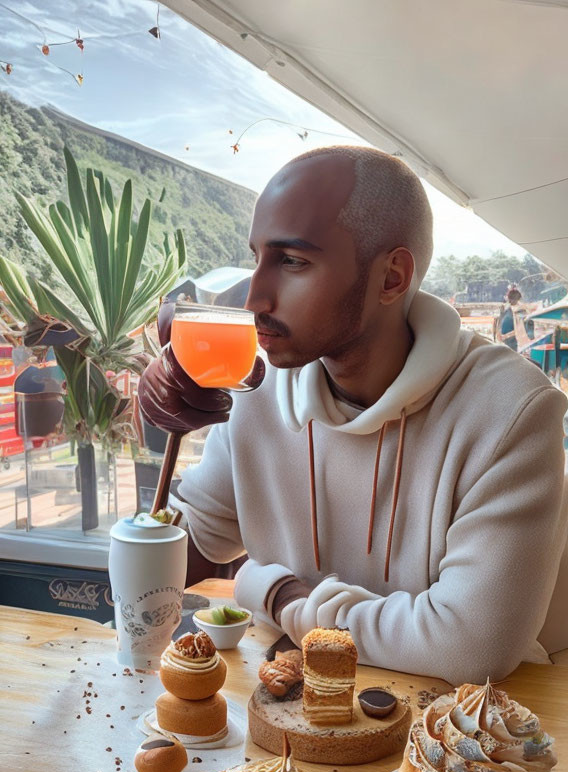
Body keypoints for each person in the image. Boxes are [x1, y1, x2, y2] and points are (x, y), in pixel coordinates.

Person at [138, 146, 568, 684]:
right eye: (257, 259)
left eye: (292, 261)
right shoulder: (258, 389)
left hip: (476, 740)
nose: (254, 298)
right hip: (298, 720)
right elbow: (187, 554)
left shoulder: (510, 410)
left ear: (391, 277)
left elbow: (470, 646)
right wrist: (162, 426)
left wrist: (276, 593)